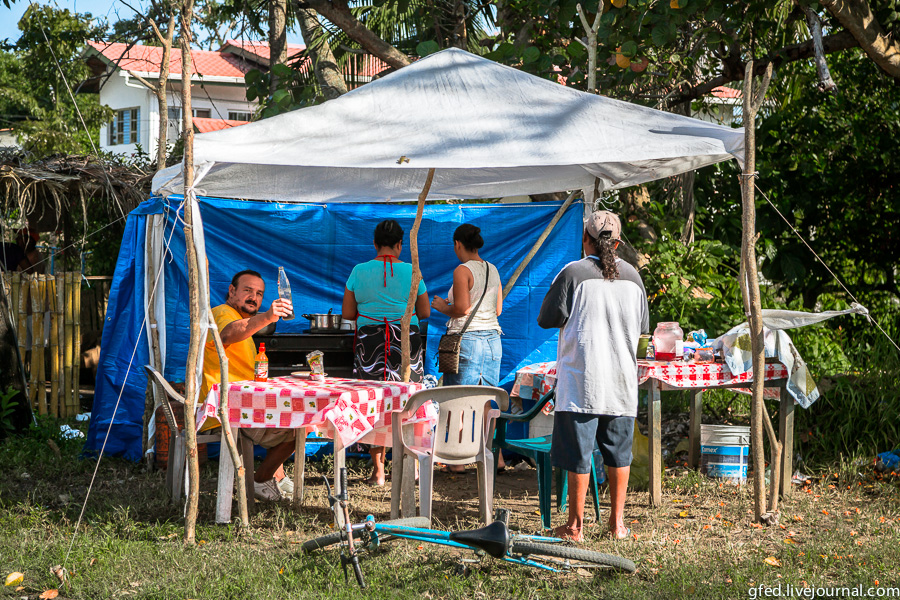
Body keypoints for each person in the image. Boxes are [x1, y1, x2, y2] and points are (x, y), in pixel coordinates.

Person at [537, 211, 649, 542]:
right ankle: (617, 525)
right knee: (619, 454)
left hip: (581, 383)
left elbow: (547, 318)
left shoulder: (572, 273)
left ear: (585, 238)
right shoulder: (634, 279)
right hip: (621, 384)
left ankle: (575, 527)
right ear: (617, 243)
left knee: (578, 456)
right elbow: (642, 328)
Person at [342, 219, 430, 486]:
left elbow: (347, 314)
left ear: (375, 244)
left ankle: (378, 470)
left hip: (370, 343)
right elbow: (424, 312)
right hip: (406, 343)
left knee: (372, 401)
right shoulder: (413, 272)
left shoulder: (359, 270)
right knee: (409, 400)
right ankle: (411, 466)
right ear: (401, 245)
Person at [201, 269, 296, 501]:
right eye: (247, 291)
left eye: (259, 293)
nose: (254, 297)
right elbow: (226, 334)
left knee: (290, 415)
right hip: (227, 411)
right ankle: (259, 480)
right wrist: (266, 317)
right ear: (231, 291)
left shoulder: (243, 322)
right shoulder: (223, 313)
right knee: (298, 428)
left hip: (242, 407)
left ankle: (276, 477)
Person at [431, 223, 506, 472]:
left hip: (468, 340)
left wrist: (443, 307)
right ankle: (489, 454)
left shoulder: (462, 270)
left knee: (458, 399)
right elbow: (497, 310)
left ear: (457, 244)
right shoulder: (493, 269)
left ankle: (457, 460)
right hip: (493, 340)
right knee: (486, 401)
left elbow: (462, 308)